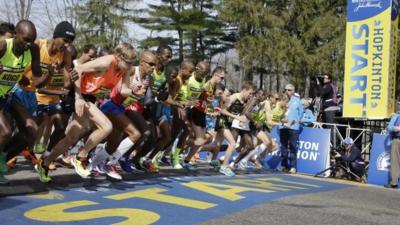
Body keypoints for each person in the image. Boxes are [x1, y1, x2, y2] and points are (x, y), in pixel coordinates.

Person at [0, 20, 44, 184]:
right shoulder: (4, 45)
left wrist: (47, 74)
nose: (28, 44)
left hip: (8, 94)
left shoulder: (32, 49)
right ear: (16, 34)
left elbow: (38, 79)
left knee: (32, 130)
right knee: (5, 131)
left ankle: (2, 161)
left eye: (31, 40)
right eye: (25, 39)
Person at [279, 84, 303, 174]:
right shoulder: (282, 101)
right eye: (285, 90)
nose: (287, 92)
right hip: (283, 127)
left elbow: (301, 114)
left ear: (293, 91)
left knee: (293, 147)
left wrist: (294, 122)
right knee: (283, 147)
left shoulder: (298, 101)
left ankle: (293, 167)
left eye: (289, 90)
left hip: (294, 128)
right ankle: (283, 165)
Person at [385, 112, 400, 188]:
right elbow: (388, 127)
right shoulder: (396, 116)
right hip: (397, 140)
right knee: (395, 162)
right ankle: (394, 183)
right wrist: (396, 128)